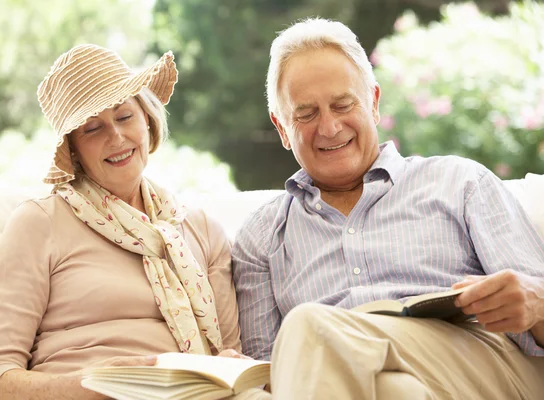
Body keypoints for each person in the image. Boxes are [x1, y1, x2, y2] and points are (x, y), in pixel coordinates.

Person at [232, 17, 544, 399]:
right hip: (355, 382)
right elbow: (263, 374)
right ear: (281, 128)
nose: (329, 127)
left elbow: (536, 309)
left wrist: (537, 304)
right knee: (394, 390)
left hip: (481, 365)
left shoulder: (461, 182)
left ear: (374, 103)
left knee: (309, 328)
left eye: (343, 104)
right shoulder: (259, 238)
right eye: (306, 114)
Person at [0, 44, 257, 400]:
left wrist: (230, 367)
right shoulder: (39, 223)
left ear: (148, 120)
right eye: (92, 128)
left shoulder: (201, 229)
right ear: (73, 150)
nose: (116, 137)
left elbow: (228, 357)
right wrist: (92, 381)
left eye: (125, 117)